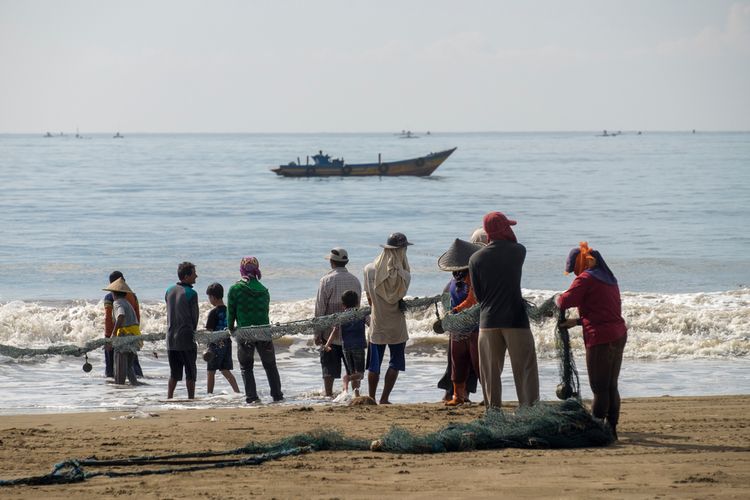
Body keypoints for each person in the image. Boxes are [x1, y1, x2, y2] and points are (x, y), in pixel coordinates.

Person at [556, 242, 627, 439]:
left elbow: (564, 301)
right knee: (611, 385)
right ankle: (611, 428)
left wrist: (555, 299)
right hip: (618, 334)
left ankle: (596, 430)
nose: (574, 274)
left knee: (599, 388)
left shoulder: (585, 279)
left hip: (600, 337)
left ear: (580, 265)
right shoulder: (609, 277)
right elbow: (603, 310)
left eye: (574, 270)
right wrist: (577, 321)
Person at [469, 212, 539, 409]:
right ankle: (529, 412)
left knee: (490, 374)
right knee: (524, 370)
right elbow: (511, 243)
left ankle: (493, 413)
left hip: (488, 322)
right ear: (504, 229)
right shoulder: (518, 251)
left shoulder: (475, 259)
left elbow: (479, 295)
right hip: (516, 320)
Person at [363, 232, 412, 404]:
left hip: (378, 323)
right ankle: (384, 398)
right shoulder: (405, 275)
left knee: (374, 365)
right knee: (395, 362)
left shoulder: (369, 269)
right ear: (402, 250)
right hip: (397, 324)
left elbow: (369, 298)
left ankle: (371, 397)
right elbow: (399, 297)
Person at [437, 229, 486, 401]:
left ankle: (486, 395)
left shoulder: (474, 276)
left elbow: (473, 300)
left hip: (474, 328)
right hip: (460, 329)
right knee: (458, 363)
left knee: (477, 364)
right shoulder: (458, 278)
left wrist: (454, 311)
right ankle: (458, 394)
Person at [228, 256, 283, 404]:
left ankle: (252, 397)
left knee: (246, 367)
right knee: (270, 365)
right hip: (264, 331)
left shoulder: (235, 289)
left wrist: (230, 329)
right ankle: (277, 395)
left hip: (245, 332)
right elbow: (265, 311)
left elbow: (231, 313)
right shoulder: (264, 290)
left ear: (242, 269)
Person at [314, 247, 362, 397]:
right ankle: (355, 395)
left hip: (330, 334)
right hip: (351, 335)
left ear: (332, 262)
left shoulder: (326, 280)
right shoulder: (355, 280)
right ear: (345, 262)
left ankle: (328, 395)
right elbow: (357, 308)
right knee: (353, 369)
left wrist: (317, 333)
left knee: (328, 367)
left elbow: (320, 310)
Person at [323, 290, 367, 398]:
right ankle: (347, 379)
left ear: (343, 305)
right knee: (359, 374)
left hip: (346, 347)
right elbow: (371, 324)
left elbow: (335, 331)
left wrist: (327, 345)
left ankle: (356, 395)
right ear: (357, 303)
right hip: (359, 346)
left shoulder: (341, 316)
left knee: (353, 372)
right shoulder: (361, 314)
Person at [165, 262, 199, 399]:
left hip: (170, 338)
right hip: (185, 337)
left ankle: (169, 397)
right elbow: (194, 318)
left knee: (174, 373)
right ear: (186, 276)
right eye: (194, 273)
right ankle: (191, 398)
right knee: (190, 371)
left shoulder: (169, 290)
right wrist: (194, 333)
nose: (196, 275)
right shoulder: (192, 293)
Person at [103, 270, 143, 378]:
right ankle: (136, 383)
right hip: (132, 333)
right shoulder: (133, 296)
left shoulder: (110, 298)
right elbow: (137, 316)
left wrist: (109, 337)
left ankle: (117, 387)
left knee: (112, 367)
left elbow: (108, 318)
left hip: (116, 334)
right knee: (132, 364)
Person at [204, 282, 241, 395]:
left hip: (215, 345)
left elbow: (209, 331)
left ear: (213, 297)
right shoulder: (228, 311)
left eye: (209, 297)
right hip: (226, 343)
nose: (209, 300)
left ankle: (209, 394)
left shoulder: (213, 313)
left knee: (211, 371)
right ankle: (237, 392)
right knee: (225, 370)